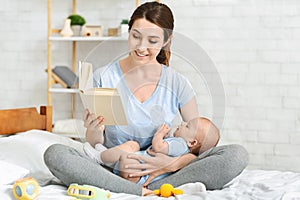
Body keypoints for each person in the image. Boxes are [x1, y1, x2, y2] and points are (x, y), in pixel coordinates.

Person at [44, 1, 248, 196]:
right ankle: (134, 190)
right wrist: (93, 129)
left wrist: (168, 165)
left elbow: (198, 146)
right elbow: (96, 144)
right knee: (55, 154)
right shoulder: (103, 77)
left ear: (166, 40)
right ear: (129, 33)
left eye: (152, 41)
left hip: (162, 172)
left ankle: (143, 187)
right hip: (112, 167)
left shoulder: (178, 83)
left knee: (236, 155)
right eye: (136, 37)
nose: (141, 47)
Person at [84, 117, 220, 186]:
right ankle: (105, 154)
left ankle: (99, 157)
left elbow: (158, 147)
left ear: (192, 142)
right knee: (132, 146)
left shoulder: (180, 144)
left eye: (187, 126)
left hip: (138, 173)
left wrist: (159, 134)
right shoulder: (179, 146)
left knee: (129, 151)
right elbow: (165, 149)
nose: (182, 124)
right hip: (136, 171)